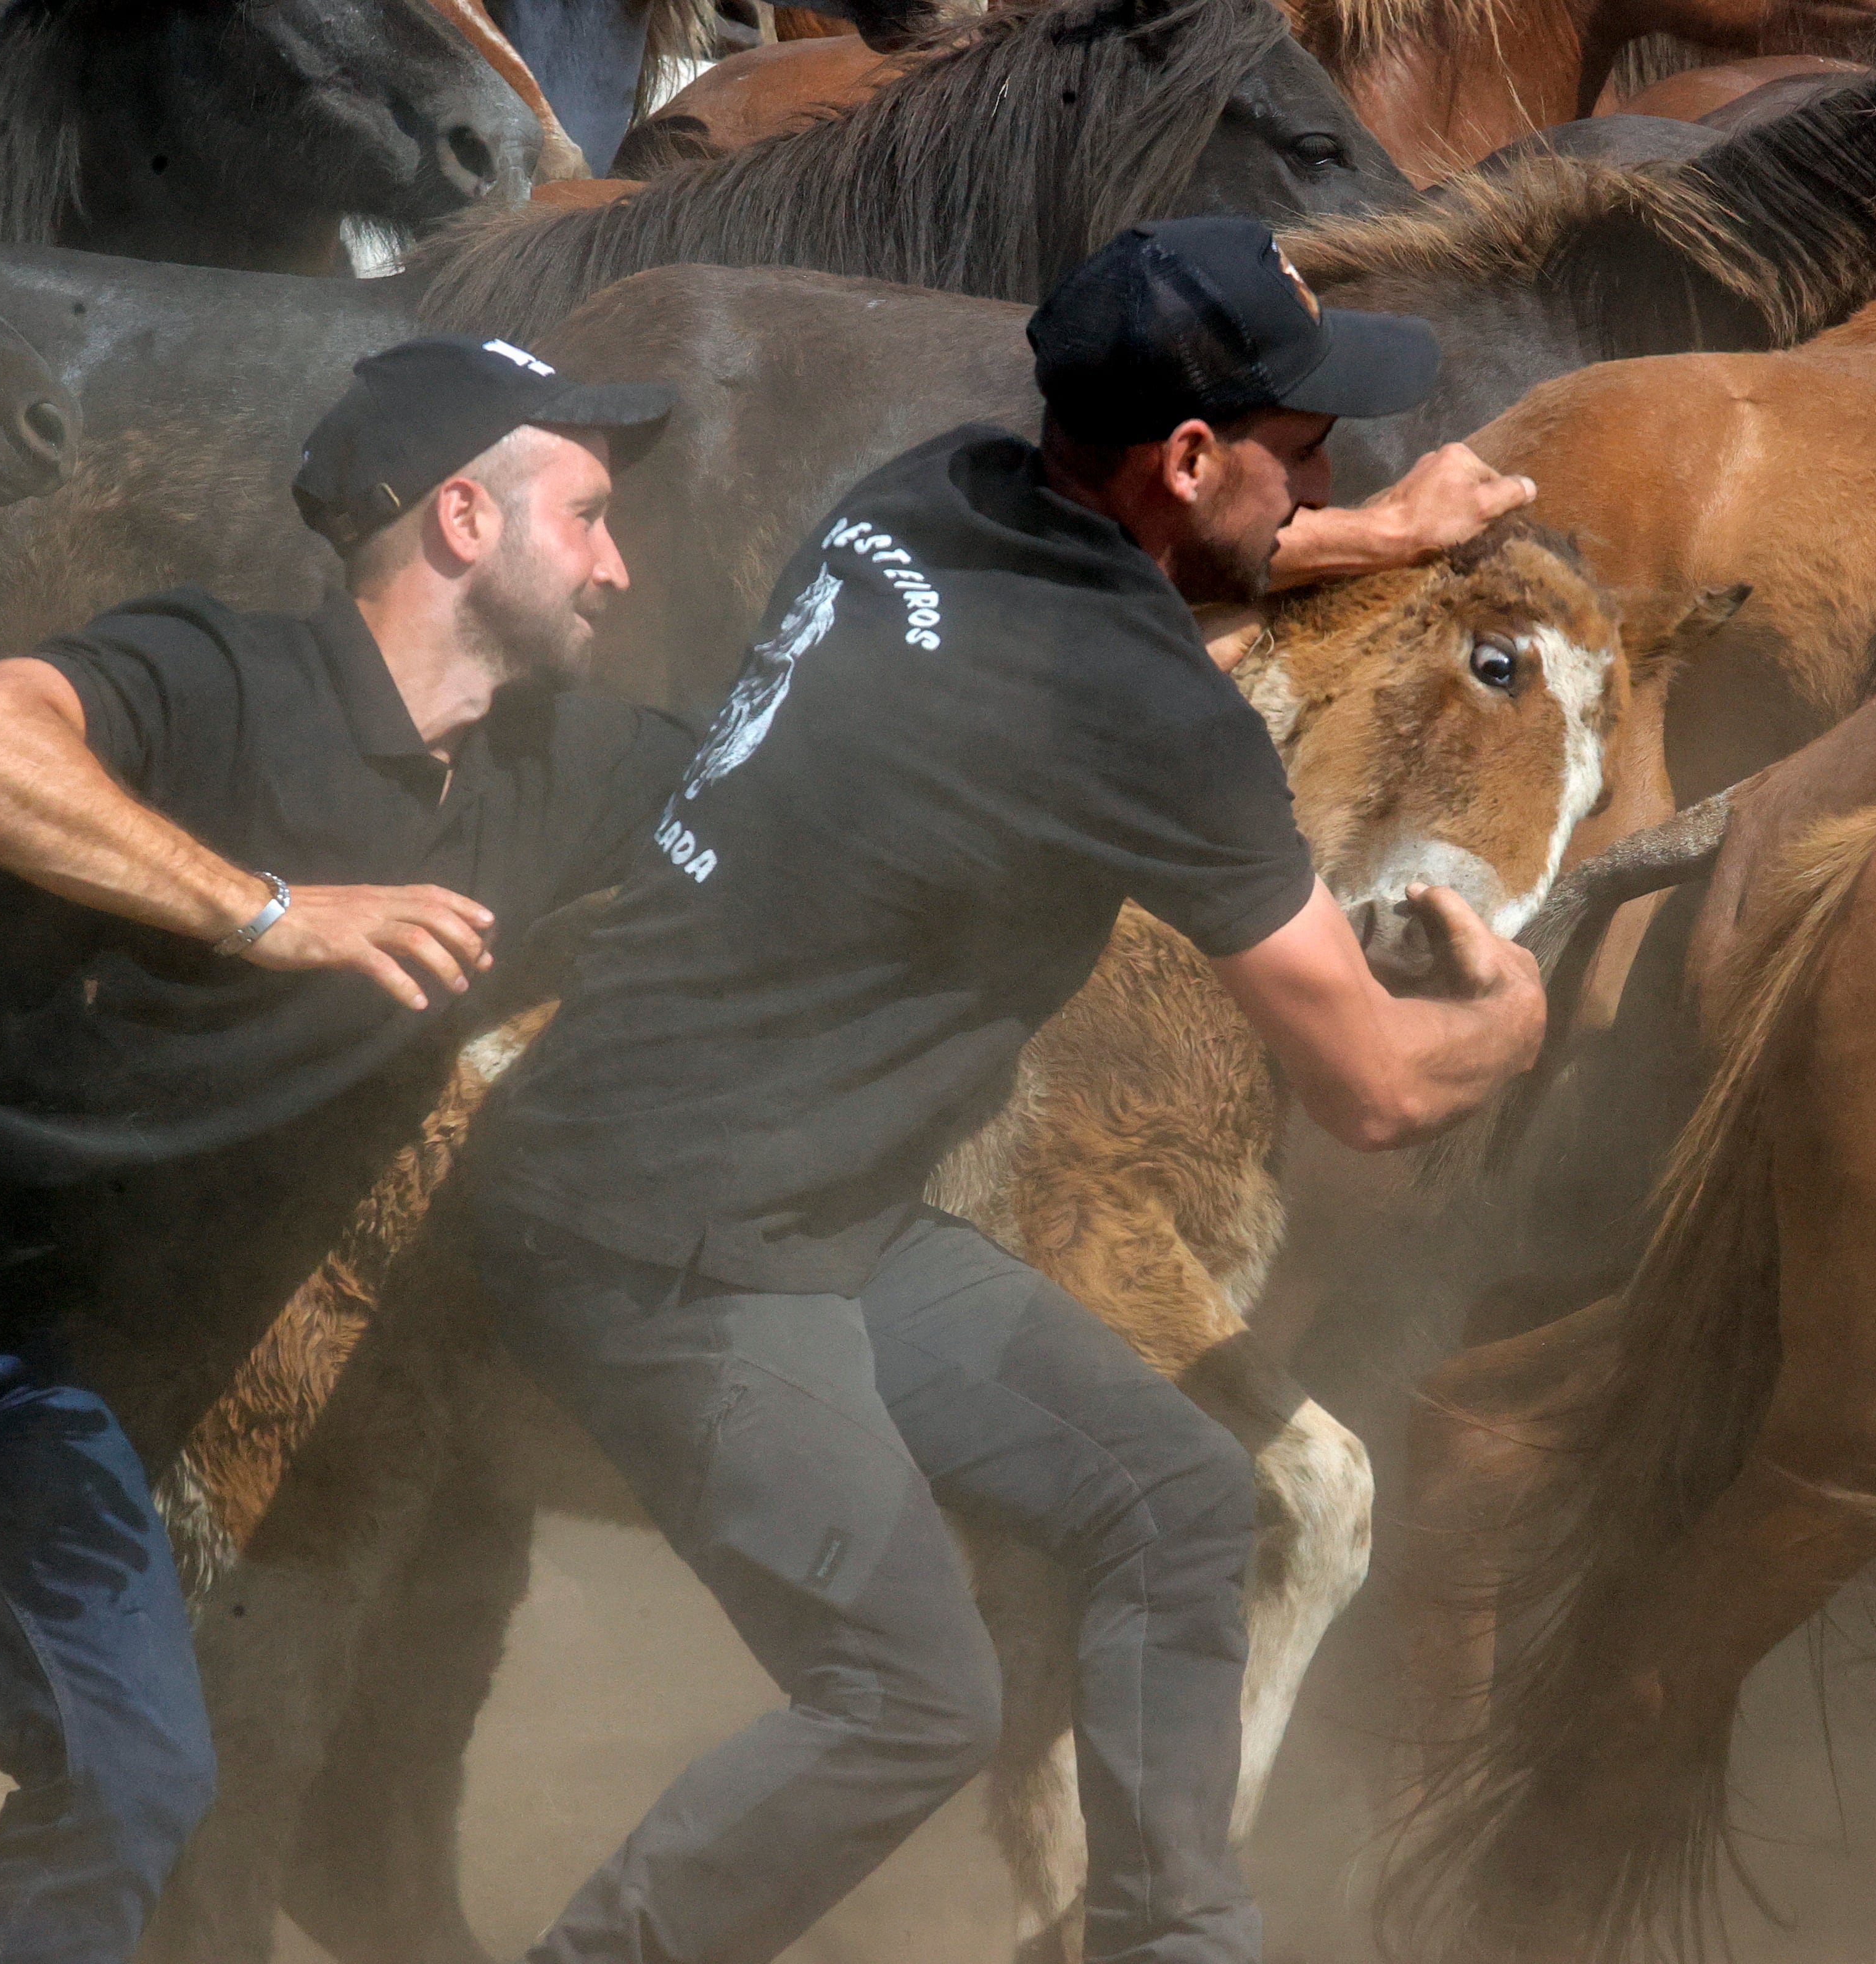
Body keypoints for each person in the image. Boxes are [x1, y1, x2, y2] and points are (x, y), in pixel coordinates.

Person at [471, 216, 1548, 1964]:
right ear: (1190, 458)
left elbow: (1142, 581)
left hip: (796, 1195)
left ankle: (1167, 1939)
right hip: (666, 1242)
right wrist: (1511, 1024)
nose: (1329, 472)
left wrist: (1367, 534)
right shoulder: (1149, 717)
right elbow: (1371, 1088)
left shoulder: (932, 489)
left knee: (1186, 1495)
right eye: (1302, 451)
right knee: (910, 1697)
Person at [0, 335, 694, 1964]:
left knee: (131, 1779)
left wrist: (1289, 554)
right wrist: (269, 910)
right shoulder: (215, 671)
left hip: (24, 1382)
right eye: (584, 513)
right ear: (458, 520)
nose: (617, 562)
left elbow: (831, 767)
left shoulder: (558, 772)